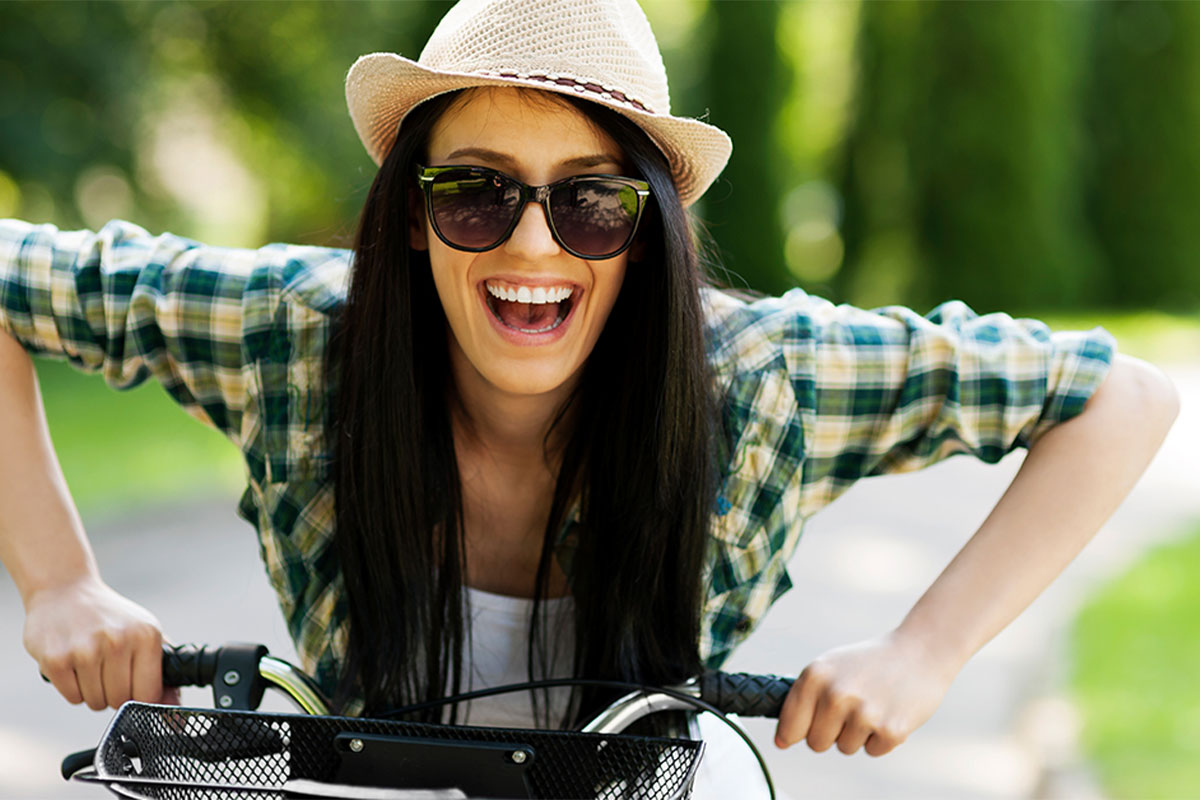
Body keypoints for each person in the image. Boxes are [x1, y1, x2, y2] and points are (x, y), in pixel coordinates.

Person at [0, 0, 1178, 773]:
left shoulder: (761, 378)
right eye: (476, 191)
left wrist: (927, 650)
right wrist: (56, 577)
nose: (531, 248)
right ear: (414, 217)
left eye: (592, 200)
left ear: (655, 229)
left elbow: (1121, 397)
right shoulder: (298, 334)